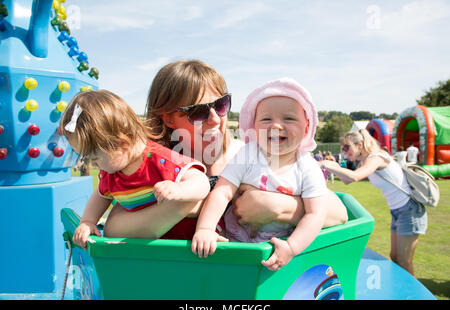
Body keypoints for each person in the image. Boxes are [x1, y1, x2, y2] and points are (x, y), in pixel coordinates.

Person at [102, 59, 347, 242]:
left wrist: (279, 207)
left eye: (221, 105)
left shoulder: (253, 154)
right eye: (197, 111)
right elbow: (115, 227)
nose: (215, 119)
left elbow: (338, 213)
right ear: (168, 119)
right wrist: (188, 203)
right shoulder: (153, 165)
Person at [191, 78, 348, 270]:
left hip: (278, 249)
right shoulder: (248, 154)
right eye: (266, 119)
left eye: (289, 118)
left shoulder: (307, 167)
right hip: (234, 244)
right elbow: (222, 192)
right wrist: (205, 228)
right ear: (254, 127)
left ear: (307, 127)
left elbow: (316, 213)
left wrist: (291, 247)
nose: (276, 126)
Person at [58, 90, 212, 248]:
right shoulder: (112, 173)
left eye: (94, 158)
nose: (93, 165)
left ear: (121, 143)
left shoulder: (159, 160)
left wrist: (179, 189)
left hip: (181, 245)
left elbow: (201, 182)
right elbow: (101, 196)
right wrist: (88, 221)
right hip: (146, 249)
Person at [320, 129, 427, 275]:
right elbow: (346, 181)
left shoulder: (376, 158)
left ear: (359, 145)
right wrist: (333, 167)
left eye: (347, 147)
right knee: (394, 257)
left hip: (409, 210)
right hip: (397, 210)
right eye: (342, 148)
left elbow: (355, 176)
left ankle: (412, 297)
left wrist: (328, 165)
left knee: (404, 260)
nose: (344, 152)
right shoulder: (365, 160)